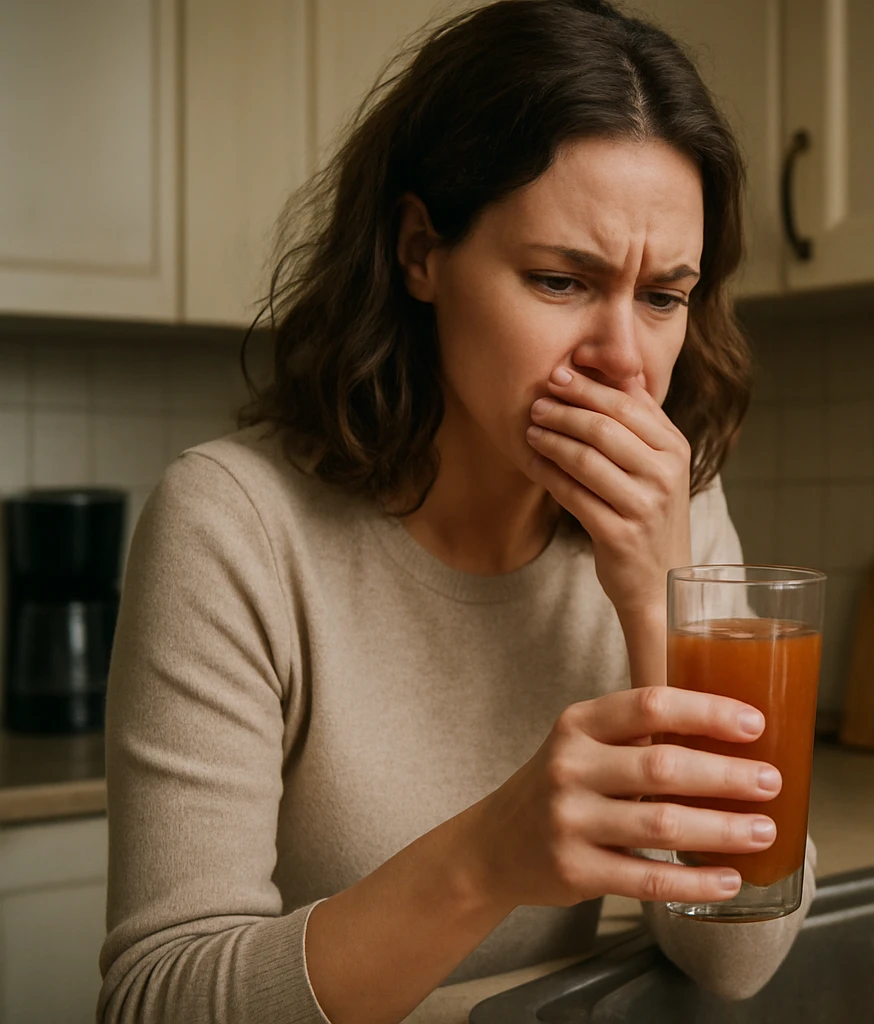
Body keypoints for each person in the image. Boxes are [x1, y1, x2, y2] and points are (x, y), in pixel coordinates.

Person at [98, 2, 812, 1021]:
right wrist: (487, 857)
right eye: (562, 279)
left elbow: (742, 959)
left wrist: (661, 606)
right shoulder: (233, 526)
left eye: (663, 297)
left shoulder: (677, 508)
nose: (623, 361)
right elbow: (153, 1001)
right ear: (420, 251)